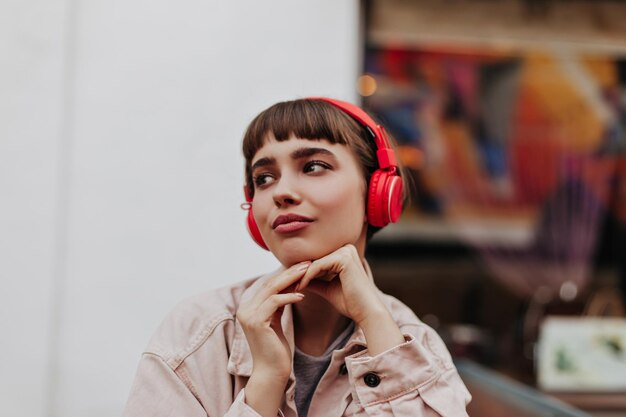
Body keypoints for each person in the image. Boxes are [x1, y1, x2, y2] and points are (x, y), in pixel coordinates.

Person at [123, 98, 471, 417]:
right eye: (264, 178)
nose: (282, 192)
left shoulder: (417, 346)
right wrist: (265, 383)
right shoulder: (197, 336)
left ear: (378, 193)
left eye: (314, 167)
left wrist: (375, 321)